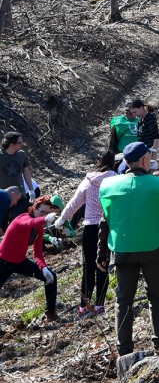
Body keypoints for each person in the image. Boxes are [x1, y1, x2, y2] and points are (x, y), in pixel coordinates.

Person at [99, 142, 159, 357]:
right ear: (145, 160)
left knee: (123, 300)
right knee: (157, 296)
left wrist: (101, 254)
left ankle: (124, 347)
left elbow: (104, 222)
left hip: (122, 250)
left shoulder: (109, 186)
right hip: (152, 249)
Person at [56, 150, 119, 316]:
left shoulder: (88, 181)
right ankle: (100, 305)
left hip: (90, 228)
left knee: (88, 267)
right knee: (103, 265)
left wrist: (62, 219)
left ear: (99, 162)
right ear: (114, 164)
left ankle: (84, 306)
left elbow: (74, 202)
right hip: (108, 227)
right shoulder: (117, 180)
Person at [0, 194, 61, 323]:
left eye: (46, 212)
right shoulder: (22, 218)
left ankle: (50, 313)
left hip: (19, 261)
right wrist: (45, 219)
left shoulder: (38, 228)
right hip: (3, 261)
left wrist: (44, 268)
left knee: (51, 277)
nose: (43, 214)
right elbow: (30, 222)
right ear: (33, 208)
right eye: (41, 211)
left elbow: (38, 253)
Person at [0, 133, 34, 208]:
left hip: (20, 195)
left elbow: (26, 172)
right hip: (2, 196)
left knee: (19, 217)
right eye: (20, 142)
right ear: (12, 144)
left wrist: (31, 189)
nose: (23, 144)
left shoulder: (22, 155)